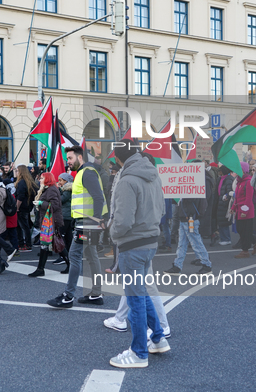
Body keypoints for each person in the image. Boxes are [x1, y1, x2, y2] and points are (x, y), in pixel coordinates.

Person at [107, 143, 169, 369]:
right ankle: (158, 338)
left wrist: (112, 233)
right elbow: (162, 210)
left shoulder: (127, 180)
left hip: (132, 245)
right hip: (150, 241)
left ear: (119, 159)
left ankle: (139, 352)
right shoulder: (153, 175)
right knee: (140, 293)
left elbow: (122, 222)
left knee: (135, 299)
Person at [47, 145, 108, 308]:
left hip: (87, 223)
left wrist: (95, 221)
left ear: (80, 157)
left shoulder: (86, 172)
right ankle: (96, 294)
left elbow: (98, 197)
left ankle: (68, 296)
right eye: (68, 159)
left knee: (74, 255)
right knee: (91, 255)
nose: (68, 162)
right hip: (86, 222)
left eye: (70, 158)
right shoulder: (84, 172)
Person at [28, 172, 64, 277]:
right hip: (48, 221)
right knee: (50, 244)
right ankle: (40, 269)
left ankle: (40, 269)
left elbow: (55, 205)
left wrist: (40, 204)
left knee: (51, 244)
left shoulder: (51, 189)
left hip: (51, 221)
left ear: (47, 179)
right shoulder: (48, 189)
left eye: (42, 178)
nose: (40, 180)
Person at [232, 162, 256, 258]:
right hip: (239, 210)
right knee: (240, 229)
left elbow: (248, 198)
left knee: (245, 231)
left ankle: (245, 250)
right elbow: (237, 198)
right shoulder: (239, 181)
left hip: (246, 211)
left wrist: (244, 211)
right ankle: (255, 243)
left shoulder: (248, 181)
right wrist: (233, 208)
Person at [54, 172, 74, 273]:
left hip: (65, 216)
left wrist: (58, 190)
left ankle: (66, 258)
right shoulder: (66, 189)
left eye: (60, 180)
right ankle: (70, 259)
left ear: (66, 181)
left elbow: (60, 200)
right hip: (67, 216)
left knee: (61, 238)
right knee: (68, 238)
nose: (59, 182)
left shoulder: (67, 189)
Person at [15, 165, 38, 252]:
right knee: (24, 226)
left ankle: (26, 244)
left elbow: (20, 197)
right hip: (27, 206)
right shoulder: (29, 182)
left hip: (21, 207)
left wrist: (17, 207)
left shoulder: (21, 183)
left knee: (22, 226)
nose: (16, 172)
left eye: (17, 171)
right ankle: (24, 243)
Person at [216, 165, 234, 245]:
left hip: (224, 202)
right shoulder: (220, 179)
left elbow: (229, 191)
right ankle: (223, 238)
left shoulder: (229, 179)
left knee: (224, 222)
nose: (219, 172)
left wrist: (225, 200)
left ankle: (226, 238)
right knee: (221, 221)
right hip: (219, 201)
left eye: (220, 170)